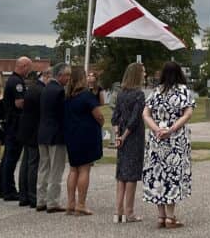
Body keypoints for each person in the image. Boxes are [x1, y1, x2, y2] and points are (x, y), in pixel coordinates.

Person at [142, 61, 194, 229]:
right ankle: (170, 217)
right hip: (176, 140)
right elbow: (187, 114)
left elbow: (145, 114)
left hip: (156, 139)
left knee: (158, 174)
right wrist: (171, 129)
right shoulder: (183, 91)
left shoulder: (156, 92)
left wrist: (156, 129)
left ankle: (161, 216)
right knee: (173, 174)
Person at [64, 66, 104, 215]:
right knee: (84, 169)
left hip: (71, 134)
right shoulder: (86, 95)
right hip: (86, 135)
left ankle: (70, 203)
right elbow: (98, 115)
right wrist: (101, 122)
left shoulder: (68, 96)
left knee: (73, 169)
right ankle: (81, 204)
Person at [112, 62, 146, 223]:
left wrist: (117, 135)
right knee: (131, 175)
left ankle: (118, 211)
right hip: (133, 137)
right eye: (143, 72)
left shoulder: (121, 93)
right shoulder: (139, 94)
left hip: (121, 136)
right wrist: (124, 136)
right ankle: (129, 212)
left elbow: (115, 117)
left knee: (121, 174)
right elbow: (135, 119)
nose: (145, 74)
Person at [37, 63, 69, 214]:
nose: (68, 78)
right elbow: (63, 114)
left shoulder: (45, 89)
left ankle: (41, 199)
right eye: (67, 75)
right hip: (56, 134)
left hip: (43, 132)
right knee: (56, 169)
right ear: (60, 75)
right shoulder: (59, 91)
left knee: (43, 168)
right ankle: (52, 202)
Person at [0, 57, 31, 202]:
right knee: (11, 157)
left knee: (7, 157)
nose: (29, 72)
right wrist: (31, 102)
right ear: (24, 66)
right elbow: (19, 103)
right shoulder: (17, 82)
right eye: (29, 68)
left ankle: (3, 188)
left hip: (10, 122)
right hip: (15, 123)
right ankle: (9, 190)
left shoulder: (11, 80)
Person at [17, 71, 44, 208]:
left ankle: (23, 195)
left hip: (25, 129)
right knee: (33, 163)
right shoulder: (41, 91)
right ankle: (33, 196)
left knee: (25, 163)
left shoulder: (31, 89)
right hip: (34, 130)